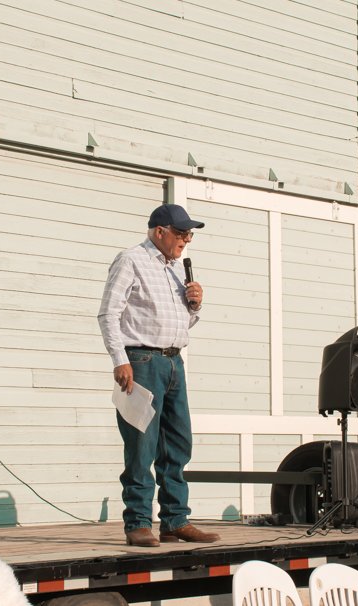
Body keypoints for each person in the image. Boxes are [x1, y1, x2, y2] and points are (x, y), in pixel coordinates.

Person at [97, 203, 220, 547]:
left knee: (178, 444)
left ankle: (175, 521)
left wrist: (194, 306)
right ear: (159, 231)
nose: (186, 241)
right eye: (181, 233)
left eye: (189, 234)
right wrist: (119, 359)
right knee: (142, 444)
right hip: (142, 361)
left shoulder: (178, 269)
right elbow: (108, 313)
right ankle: (138, 522)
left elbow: (181, 322)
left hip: (173, 362)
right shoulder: (131, 260)